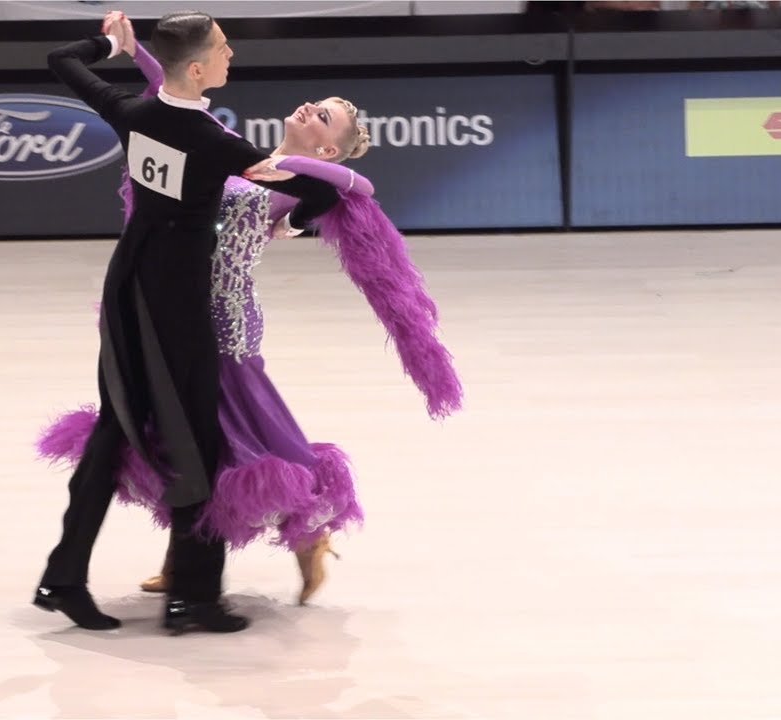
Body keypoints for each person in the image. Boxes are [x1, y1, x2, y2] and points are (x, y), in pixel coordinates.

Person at [37, 32, 463, 607]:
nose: (313, 108)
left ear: (330, 150)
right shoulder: (233, 146)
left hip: (224, 322)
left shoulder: (303, 182)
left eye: (326, 118)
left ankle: (299, 538)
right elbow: (173, 100)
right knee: (179, 437)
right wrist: (139, 49)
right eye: (318, 103)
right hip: (174, 303)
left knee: (236, 443)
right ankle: (187, 564)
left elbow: (360, 185)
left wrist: (295, 178)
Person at [34, 10, 344, 635]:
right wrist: (303, 217)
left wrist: (108, 43)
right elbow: (323, 192)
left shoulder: (134, 114)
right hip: (177, 303)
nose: (233, 56)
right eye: (225, 48)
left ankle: (65, 577)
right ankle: (195, 597)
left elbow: (61, 62)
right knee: (196, 442)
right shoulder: (216, 143)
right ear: (198, 66)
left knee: (113, 432)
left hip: (127, 286)